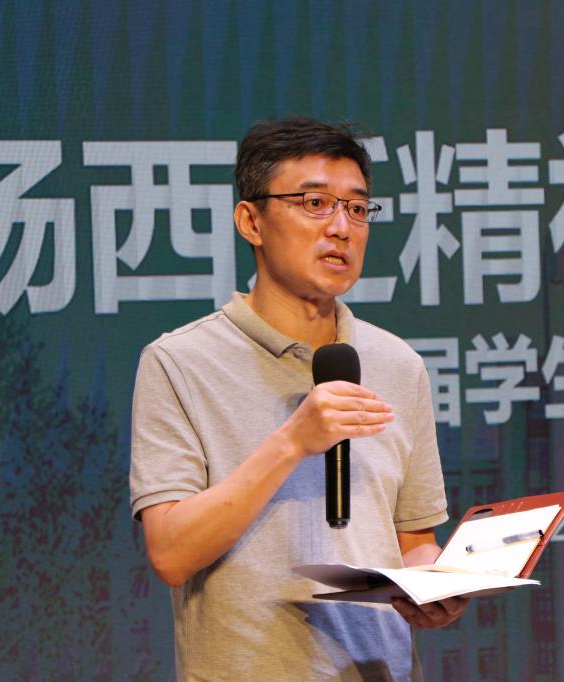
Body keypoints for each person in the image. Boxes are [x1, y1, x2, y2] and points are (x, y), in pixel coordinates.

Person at [129, 116, 468, 681]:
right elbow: (170, 553)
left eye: (356, 208)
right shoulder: (179, 362)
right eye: (314, 203)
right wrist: (292, 442)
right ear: (251, 221)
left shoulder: (398, 364)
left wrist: (434, 586)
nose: (341, 228)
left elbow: (413, 540)